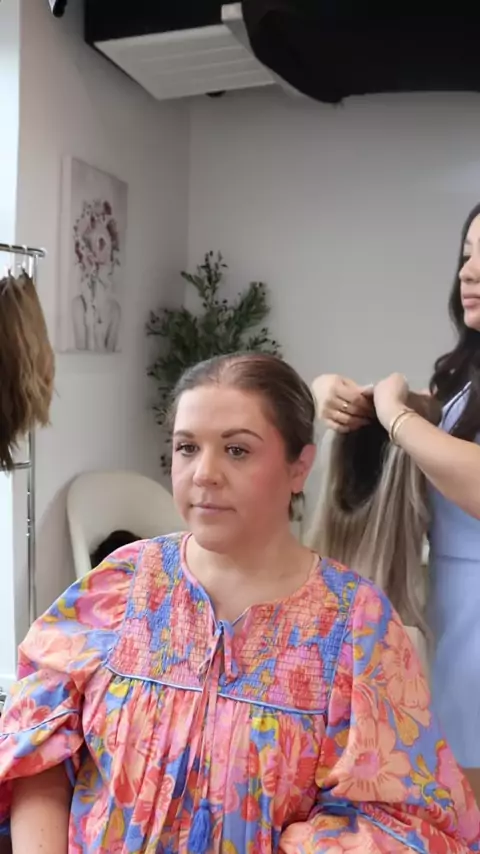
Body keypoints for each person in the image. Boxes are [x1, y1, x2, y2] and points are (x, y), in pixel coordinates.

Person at [0, 352, 479, 854]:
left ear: (299, 468)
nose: (204, 474)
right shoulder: (119, 586)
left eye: (237, 450)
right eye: (187, 448)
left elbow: (397, 821)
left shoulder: (356, 626)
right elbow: (36, 745)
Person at [312, 202, 480, 784]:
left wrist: (396, 415)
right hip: (453, 616)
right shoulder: (466, 378)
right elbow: (444, 439)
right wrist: (341, 396)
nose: (468, 273)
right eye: (466, 256)